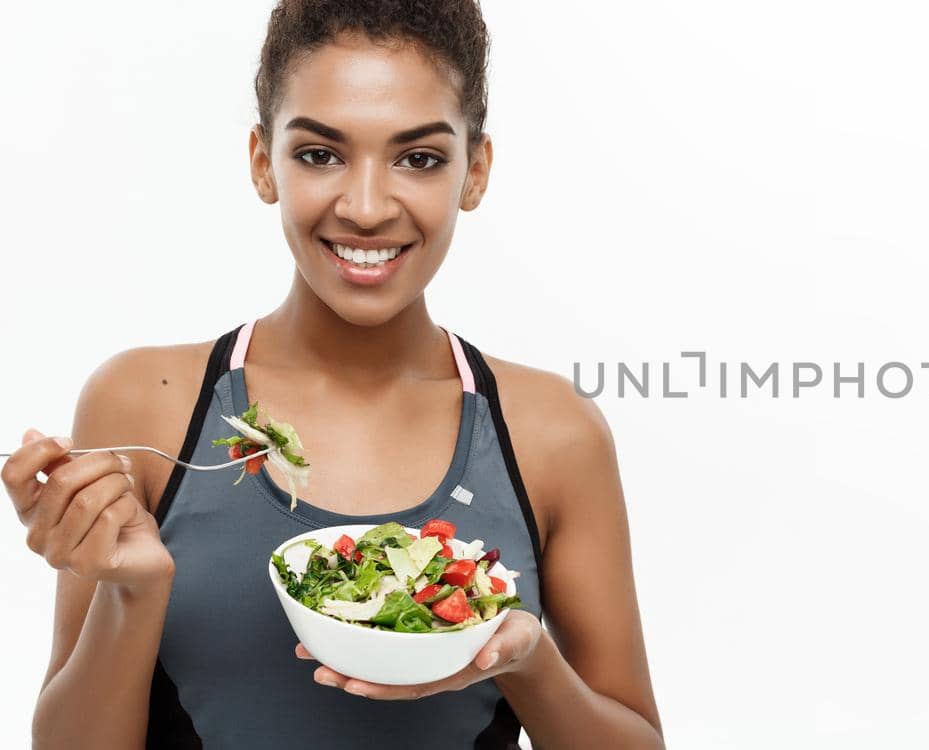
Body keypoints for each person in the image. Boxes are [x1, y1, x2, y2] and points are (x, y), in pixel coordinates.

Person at [2, 1, 663, 747]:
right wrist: (133, 592)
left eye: (419, 158)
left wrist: (526, 660)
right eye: (321, 153)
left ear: (474, 172)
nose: (368, 207)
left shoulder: (551, 431)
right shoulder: (144, 402)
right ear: (263, 163)